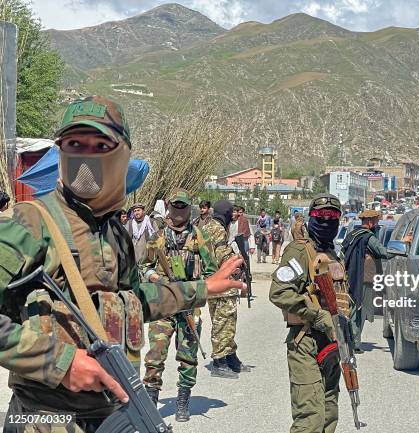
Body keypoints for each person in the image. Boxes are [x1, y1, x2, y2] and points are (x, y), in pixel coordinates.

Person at [0, 96, 244, 432]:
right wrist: (63, 363)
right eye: (75, 144)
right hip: (44, 418)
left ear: (122, 154)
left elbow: (133, 303)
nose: (86, 155)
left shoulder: (116, 234)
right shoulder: (29, 222)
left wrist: (204, 288)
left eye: (101, 145)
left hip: (109, 414)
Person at [269, 193, 348, 433]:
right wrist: (318, 316)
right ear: (310, 218)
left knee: (329, 413)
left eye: (332, 216)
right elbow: (279, 293)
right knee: (310, 419)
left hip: (333, 344)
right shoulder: (299, 252)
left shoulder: (335, 254)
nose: (326, 221)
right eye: (320, 216)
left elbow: (344, 294)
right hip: (306, 342)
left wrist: (346, 323)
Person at [142, 188, 216, 422]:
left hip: (189, 307)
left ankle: (183, 401)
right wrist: (158, 279)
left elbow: (211, 271)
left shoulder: (200, 237)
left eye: (184, 206)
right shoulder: (157, 237)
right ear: (169, 207)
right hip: (163, 305)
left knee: (188, 356)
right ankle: (152, 403)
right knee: (155, 356)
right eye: (176, 206)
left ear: (189, 208)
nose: (179, 211)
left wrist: (195, 288)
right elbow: (145, 267)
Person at [203, 200, 250, 377]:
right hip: (221, 280)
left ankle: (230, 356)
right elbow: (221, 253)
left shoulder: (209, 226)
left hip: (213, 280)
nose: (233, 217)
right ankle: (219, 360)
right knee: (224, 319)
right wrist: (236, 261)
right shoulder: (217, 229)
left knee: (224, 319)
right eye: (231, 213)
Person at [341, 209, 393, 353]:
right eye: (376, 222)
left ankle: (348, 340)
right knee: (360, 311)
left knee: (352, 309)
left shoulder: (353, 234)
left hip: (351, 275)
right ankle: (354, 343)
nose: (377, 225)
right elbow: (384, 252)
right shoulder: (368, 237)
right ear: (370, 222)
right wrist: (401, 246)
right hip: (363, 278)